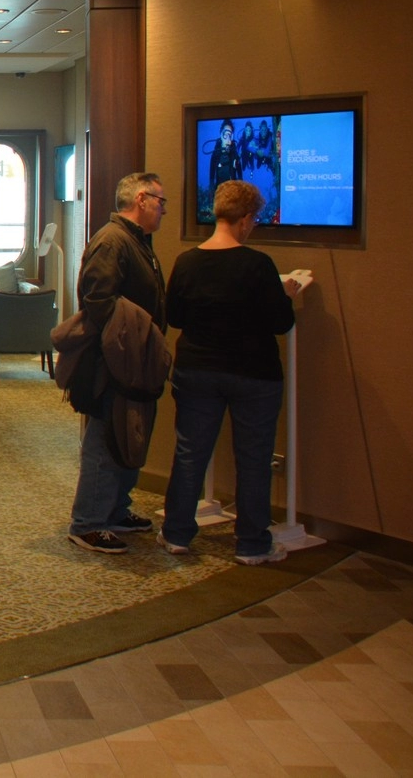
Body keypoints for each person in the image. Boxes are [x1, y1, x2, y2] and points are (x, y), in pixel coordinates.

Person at [160, 180, 301, 565]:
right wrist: (286, 296)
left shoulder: (187, 262)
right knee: (253, 459)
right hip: (254, 373)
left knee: (190, 453)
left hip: (197, 369)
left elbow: (175, 317)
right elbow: (281, 323)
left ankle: (176, 534)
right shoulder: (258, 265)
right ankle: (252, 544)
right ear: (246, 219)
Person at [67, 171, 169, 555]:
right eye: (160, 201)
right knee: (106, 438)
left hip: (135, 361)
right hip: (113, 362)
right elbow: (98, 301)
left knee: (129, 434)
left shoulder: (136, 241)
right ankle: (88, 522)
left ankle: (114, 510)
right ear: (140, 199)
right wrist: (129, 344)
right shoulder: (112, 241)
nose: (163, 209)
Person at [207, 118, 242, 211]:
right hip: (220, 193)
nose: (227, 138)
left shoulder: (234, 154)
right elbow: (211, 175)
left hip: (233, 194)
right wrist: (211, 190)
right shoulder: (216, 154)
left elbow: (240, 177)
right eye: (225, 134)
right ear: (221, 135)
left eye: (230, 135)